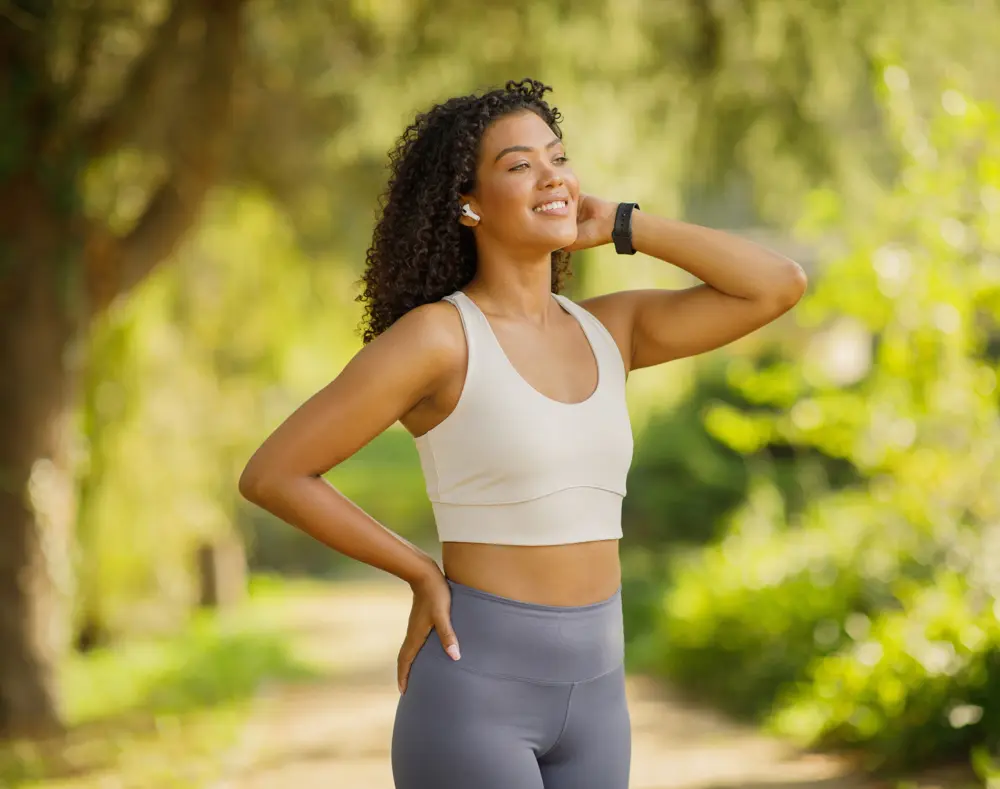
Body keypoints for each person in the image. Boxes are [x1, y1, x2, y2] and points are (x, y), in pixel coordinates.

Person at [238, 77, 807, 789]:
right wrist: (417, 569)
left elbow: (777, 285)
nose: (552, 177)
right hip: (475, 696)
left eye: (559, 158)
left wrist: (627, 225)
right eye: (519, 165)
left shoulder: (612, 330)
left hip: (599, 698)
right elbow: (276, 472)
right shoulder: (438, 340)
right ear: (467, 203)